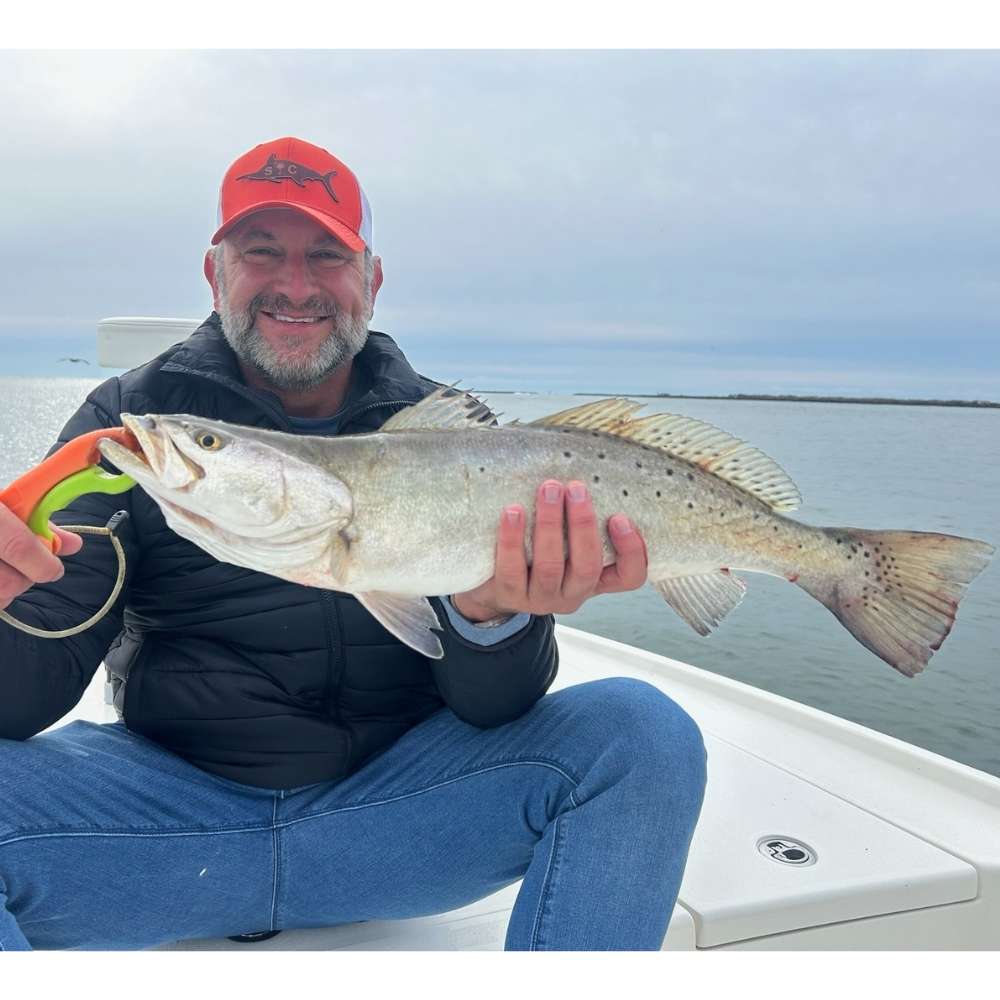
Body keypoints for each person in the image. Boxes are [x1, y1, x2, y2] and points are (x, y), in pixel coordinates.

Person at [0, 137, 706, 951]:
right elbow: (20, 700)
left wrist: (491, 616)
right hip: (162, 821)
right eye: (261, 252)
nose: (295, 285)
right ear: (215, 272)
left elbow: (494, 710)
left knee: (642, 735)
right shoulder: (133, 424)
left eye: (328, 255)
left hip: (398, 818)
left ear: (371, 280)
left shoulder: (455, 440)